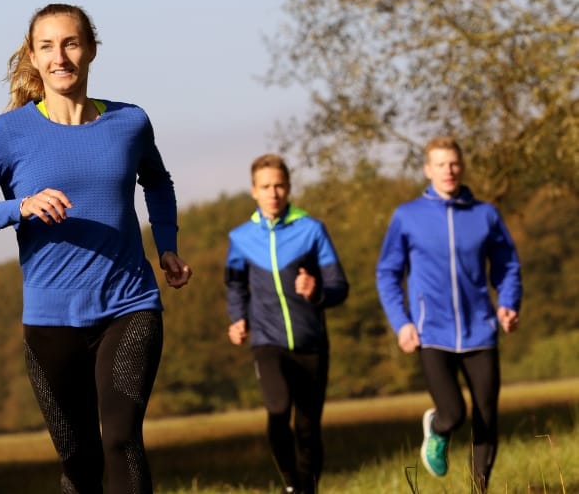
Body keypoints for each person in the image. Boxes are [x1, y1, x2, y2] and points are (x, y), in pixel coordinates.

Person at [0, 3, 192, 494]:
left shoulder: (130, 121)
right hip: (51, 319)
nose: (61, 57)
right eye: (47, 46)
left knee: (121, 440)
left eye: (71, 43)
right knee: (79, 460)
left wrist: (167, 246)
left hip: (130, 304)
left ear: (92, 50)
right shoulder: (9, 132)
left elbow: (157, 182)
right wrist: (19, 207)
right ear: (33, 58)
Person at [376, 136, 522, 492]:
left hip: (480, 329)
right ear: (428, 170)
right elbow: (388, 273)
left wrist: (508, 302)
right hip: (431, 332)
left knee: (487, 414)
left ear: (462, 166)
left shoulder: (484, 214)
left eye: (454, 163)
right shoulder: (407, 216)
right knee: (455, 413)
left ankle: (479, 489)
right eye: (440, 164)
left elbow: (507, 264)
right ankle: (437, 428)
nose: (449, 170)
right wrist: (402, 322)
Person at [224, 154, 348, 494]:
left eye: (279, 185)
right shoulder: (241, 238)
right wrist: (238, 318)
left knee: (308, 426)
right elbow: (235, 285)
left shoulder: (311, 230)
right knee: (278, 411)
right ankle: (293, 486)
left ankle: (308, 489)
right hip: (267, 341)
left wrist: (317, 290)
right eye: (266, 187)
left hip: (312, 342)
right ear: (254, 191)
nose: (273, 193)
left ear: (289, 187)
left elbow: (339, 287)